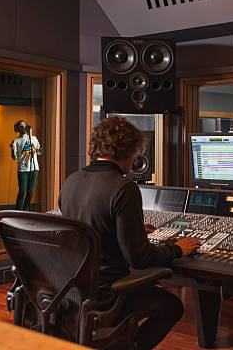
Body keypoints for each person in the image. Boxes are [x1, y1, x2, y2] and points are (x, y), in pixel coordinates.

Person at [58, 117, 199, 350]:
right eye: (134, 153)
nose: (135, 159)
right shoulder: (124, 188)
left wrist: (124, 227)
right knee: (172, 307)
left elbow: (84, 229)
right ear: (127, 151)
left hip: (72, 291)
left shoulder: (71, 181)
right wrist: (176, 249)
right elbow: (139, 258)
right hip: (108, 294)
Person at [10, 120, 42, 211]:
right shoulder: (16, 141)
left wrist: (36, 149)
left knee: (30, 191)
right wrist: (13, 150)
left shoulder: (34, 138)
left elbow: (40, 152)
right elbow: (14, 157)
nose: (23, 126)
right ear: (18, 128)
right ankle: (18, 210)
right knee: (22, 191)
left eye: (25, 124)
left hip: (34, 168)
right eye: (21, 125)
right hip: (23, 169)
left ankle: (26, 210)